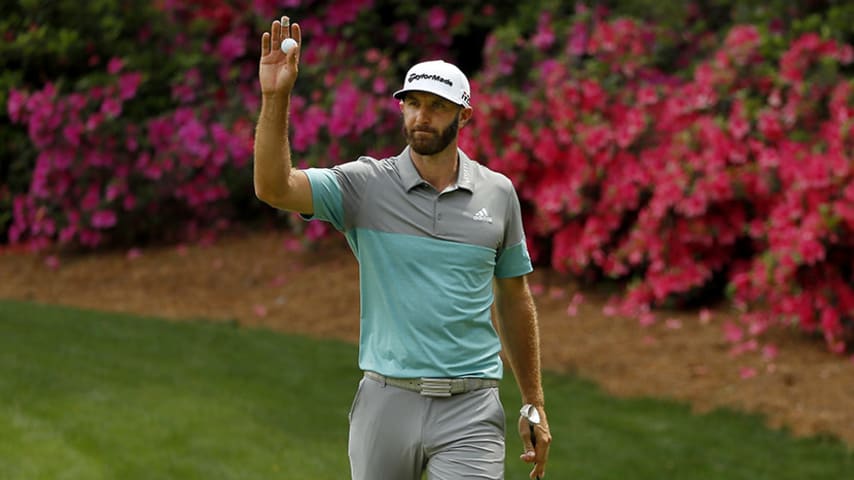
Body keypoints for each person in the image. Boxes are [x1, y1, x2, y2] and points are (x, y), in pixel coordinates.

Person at [254, 16, 552, 480]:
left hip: (471, 409)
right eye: (412, 104)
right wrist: (276, 97)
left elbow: (515, 300)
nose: (422, 116)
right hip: (385, 403)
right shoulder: (365, 186)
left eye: (436, 106)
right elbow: (274, 187)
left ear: (464, 115)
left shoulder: (498, 194)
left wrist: (533, 403)